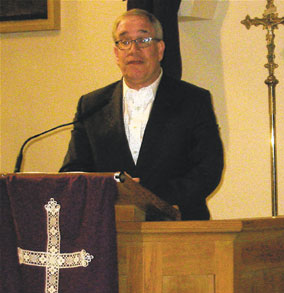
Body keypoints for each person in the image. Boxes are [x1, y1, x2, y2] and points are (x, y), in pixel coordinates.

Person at [60, 9, 224, 220]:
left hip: (179, 226)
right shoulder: (92, 105)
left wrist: (147, 197)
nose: (133, 49)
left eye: (143, 40)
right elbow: (73, 171)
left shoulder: (193, 100)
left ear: (160, 49)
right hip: (110, 229)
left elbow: (208, 170)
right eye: (124, 41)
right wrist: (111, 193)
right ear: (116, 53)